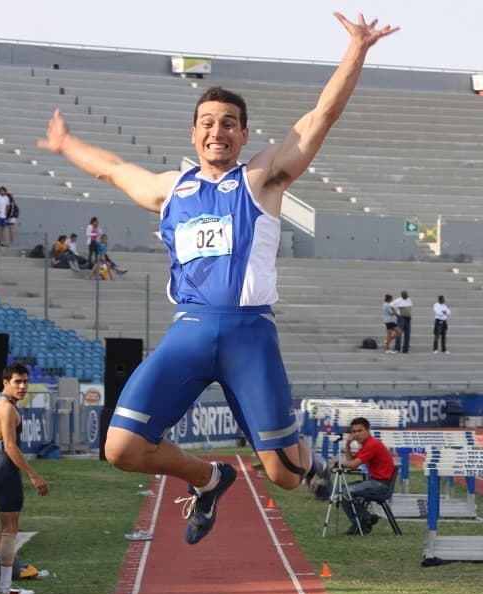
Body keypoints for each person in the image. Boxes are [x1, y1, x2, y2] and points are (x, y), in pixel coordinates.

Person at [38, 12, 398, 546]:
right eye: (207, 121)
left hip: (249, 335)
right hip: (188, 332)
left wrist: (358, 49)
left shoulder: (261, 178)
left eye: (229, 122)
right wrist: (67, 144)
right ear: (193, 133)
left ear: (244, 134)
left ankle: (306, 461)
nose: (218, 130)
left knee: (285, 477)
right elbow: (111, 169)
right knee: (121, 449)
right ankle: (209, 478)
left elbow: (320, 116)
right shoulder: (170, 190)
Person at [0, 363, 48, 594]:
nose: (23, 386)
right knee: (11, 528)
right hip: (5, 469)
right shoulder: (6, 408)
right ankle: (7, 587)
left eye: (26, 381)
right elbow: (10, 446)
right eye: (17, 382)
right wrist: (33, 474)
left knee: (4, 524)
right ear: (5, 383)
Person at [339, 416, 396, 535]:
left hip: (380, 486)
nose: (357, 434)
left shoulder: (372, 445)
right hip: (375, 482)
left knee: (344, 493)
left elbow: (353, 464)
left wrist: (338, 464)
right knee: (342, 491)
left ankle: (362, 523)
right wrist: (348, 445)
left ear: (368, 431)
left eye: (360, 431)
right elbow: (352, 461)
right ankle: (366, 519)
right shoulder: (366, 445)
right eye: (354, 432)